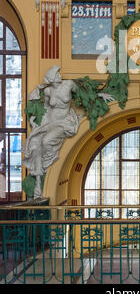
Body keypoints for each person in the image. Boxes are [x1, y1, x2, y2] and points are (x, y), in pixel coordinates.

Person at [22, 66, 113, 198]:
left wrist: (99, 95)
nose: (60, 75)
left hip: (63, 123)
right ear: (52, 78)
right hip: (50, 122)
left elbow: (83, 94)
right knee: (36, 144)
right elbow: (46, 107)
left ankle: (45, 165)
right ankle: (38, 179)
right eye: (57, 73)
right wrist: (36, 122)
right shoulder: (47, 91)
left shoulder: (68, 84)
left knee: (46, 142)